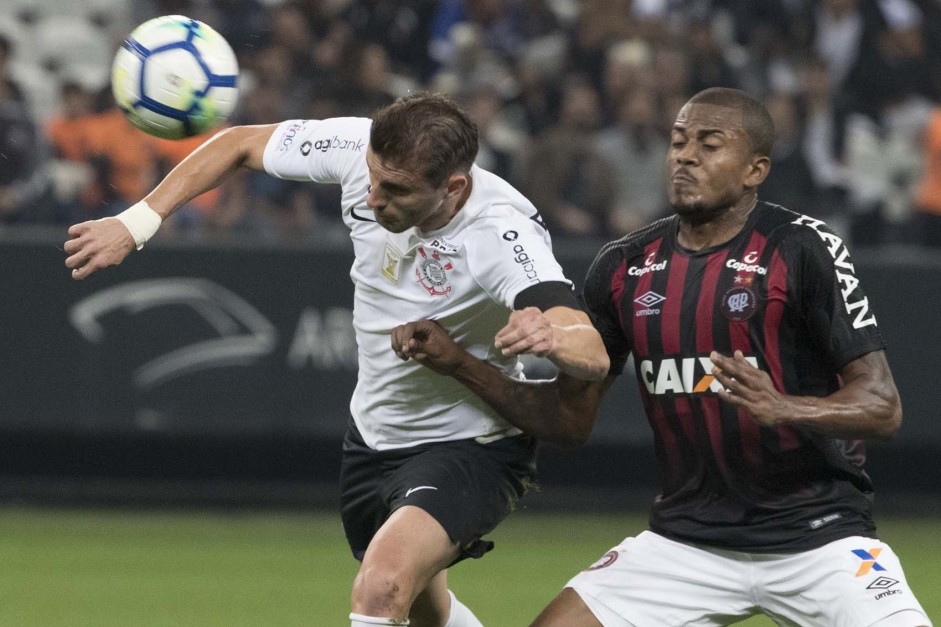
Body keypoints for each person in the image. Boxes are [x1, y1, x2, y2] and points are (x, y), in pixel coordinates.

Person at [63, 92, 609, 627]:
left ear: (454, 187)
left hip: (472, 446)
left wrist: (550, 333)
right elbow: (237, 144)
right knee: (427, 611)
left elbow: (591, 350)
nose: (372, 198)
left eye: (395, 190)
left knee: (381, 586)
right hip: (373, 441)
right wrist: (137, 223)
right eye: (372, 177)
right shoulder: (358, 146)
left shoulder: (498, 231)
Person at [390, 87, 932, 626]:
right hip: (686, 544)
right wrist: (460, 362)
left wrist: (785, 407)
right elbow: (568, 424)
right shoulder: (623, 265)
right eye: (678, 142)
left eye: (709, 144)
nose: (686, 156)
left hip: (819, 538)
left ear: (755, 169)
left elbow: (882, 406)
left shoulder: (803, 248)